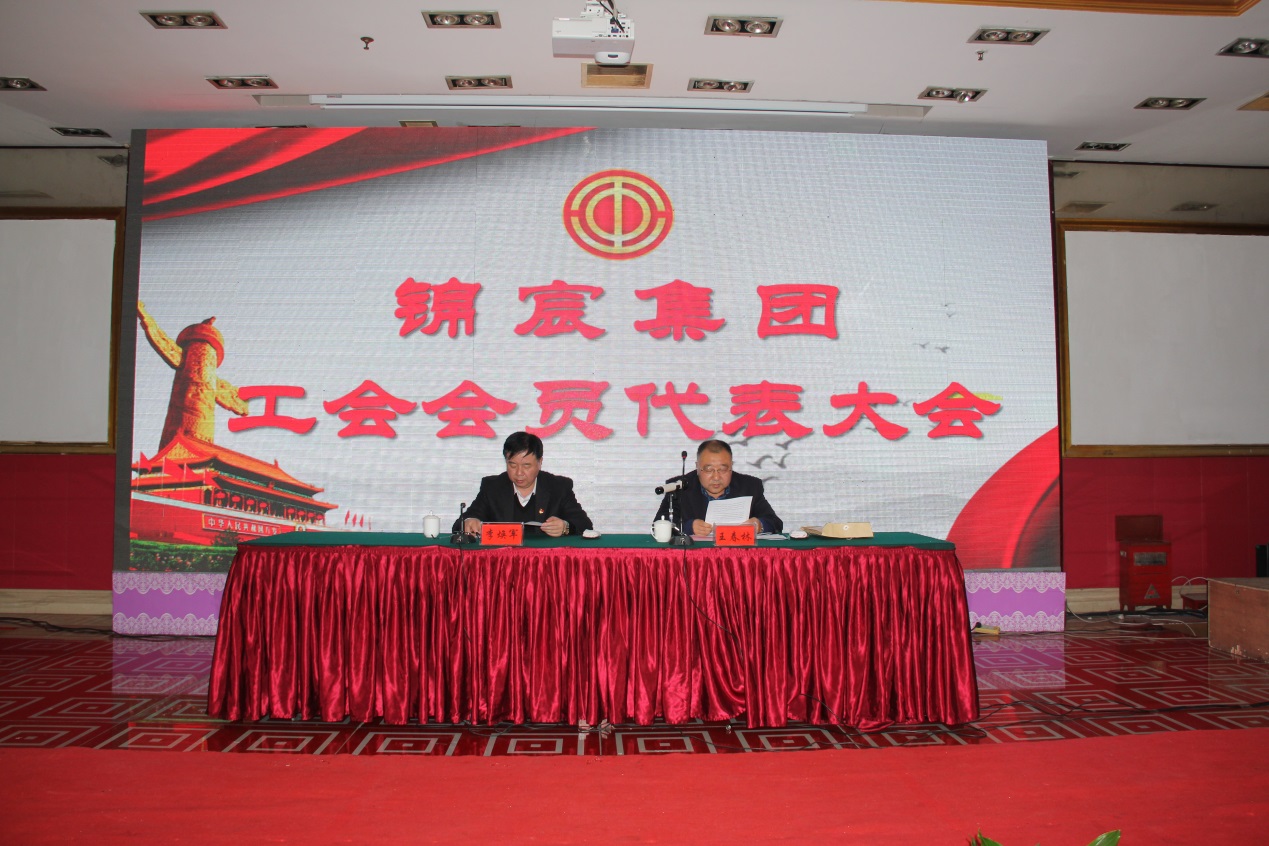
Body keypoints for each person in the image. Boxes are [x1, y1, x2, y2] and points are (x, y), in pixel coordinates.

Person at [455, 431, 593, 538]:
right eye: (512, 465)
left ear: (540, 462)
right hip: (504, 559)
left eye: (526, 465)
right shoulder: (492, 486)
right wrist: (470, 521)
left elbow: (585, 524)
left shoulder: (558, 487)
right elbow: (459, 525)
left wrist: (565, 527)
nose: (519, 472)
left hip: (544, 559)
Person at [655, 439, 783, 537]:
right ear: (698, 467)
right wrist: (689, 527)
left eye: (723, 469)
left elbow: (775, 523)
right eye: (709, 469)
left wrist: (759, 525)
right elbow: (658, 524)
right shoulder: (678, 487)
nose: (716, 477)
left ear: (731, 466)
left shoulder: (749, 486)